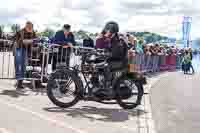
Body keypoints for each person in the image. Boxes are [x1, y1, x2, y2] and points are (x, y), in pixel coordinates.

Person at [95, 21, 128, 96]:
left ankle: (108, 87)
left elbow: (116, 53)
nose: (106, 32)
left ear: (112, 30)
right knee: (95, 64)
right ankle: (97, 85)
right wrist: (100, 38)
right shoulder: (110, 38)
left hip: (120, 62)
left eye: (107, 30)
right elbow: (98, 46)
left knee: (105, 65)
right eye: (106, 30)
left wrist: (106, 54)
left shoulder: (119, 40)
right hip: (114, 60)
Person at [15, 21, 44, 90]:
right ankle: (19, 83)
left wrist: (38, 42)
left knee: (25, 66)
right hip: (20, 49)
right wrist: (32, 40)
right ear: (26, 26)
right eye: (29, 27)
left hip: (27, 51)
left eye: (31, 28)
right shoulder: (21, 32)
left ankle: (22, 82)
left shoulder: (32, 32)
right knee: (20, 66)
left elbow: (35, 40)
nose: (31, 29)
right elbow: (22, 41)